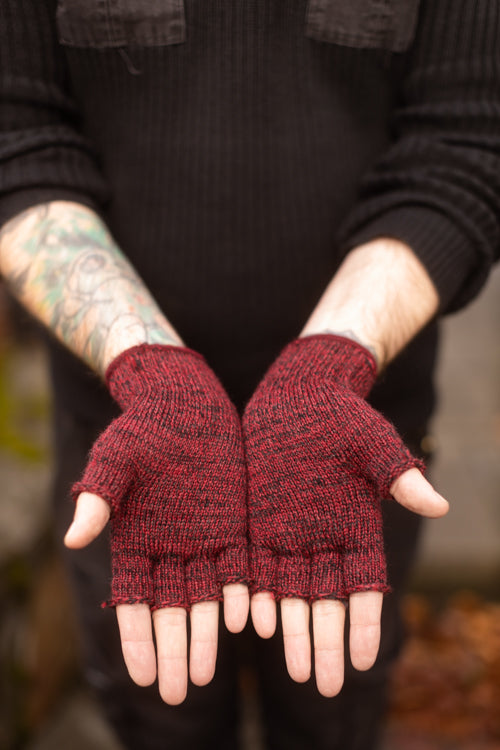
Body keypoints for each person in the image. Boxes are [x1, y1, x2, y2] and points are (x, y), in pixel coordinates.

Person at [0, 0, 499, 748]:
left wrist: (328, 364)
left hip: (350, 432)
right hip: (129, 437)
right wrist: (151, 369)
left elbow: (462, 143)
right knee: (161, 709)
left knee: (331, 701)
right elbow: (17, 140)